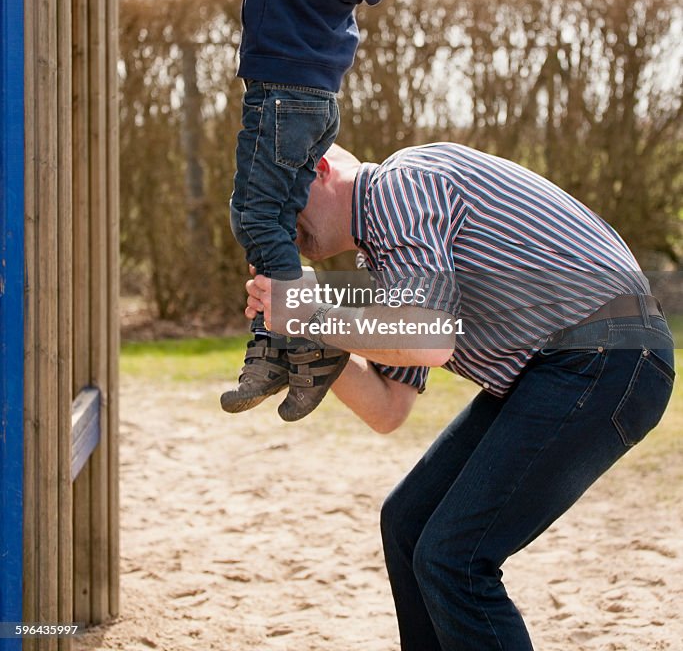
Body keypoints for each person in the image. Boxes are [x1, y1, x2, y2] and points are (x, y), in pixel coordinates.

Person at [245, 142, 675, 651]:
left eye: (283, 206)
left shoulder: (398, 187)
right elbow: (388, 408)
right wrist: (311, 337)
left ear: (318, 169)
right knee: (408, 523)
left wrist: (314, 315)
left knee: (455, 558)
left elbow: (427, 341)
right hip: (554, 368)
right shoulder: (380, 257)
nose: (285, 229)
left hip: (608, 354)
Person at [221, 0, 404, 423]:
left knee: (257, 215)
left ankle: (301, 340)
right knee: (275, 220)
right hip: (316, 100)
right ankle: (276, 345)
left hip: (279, 96)